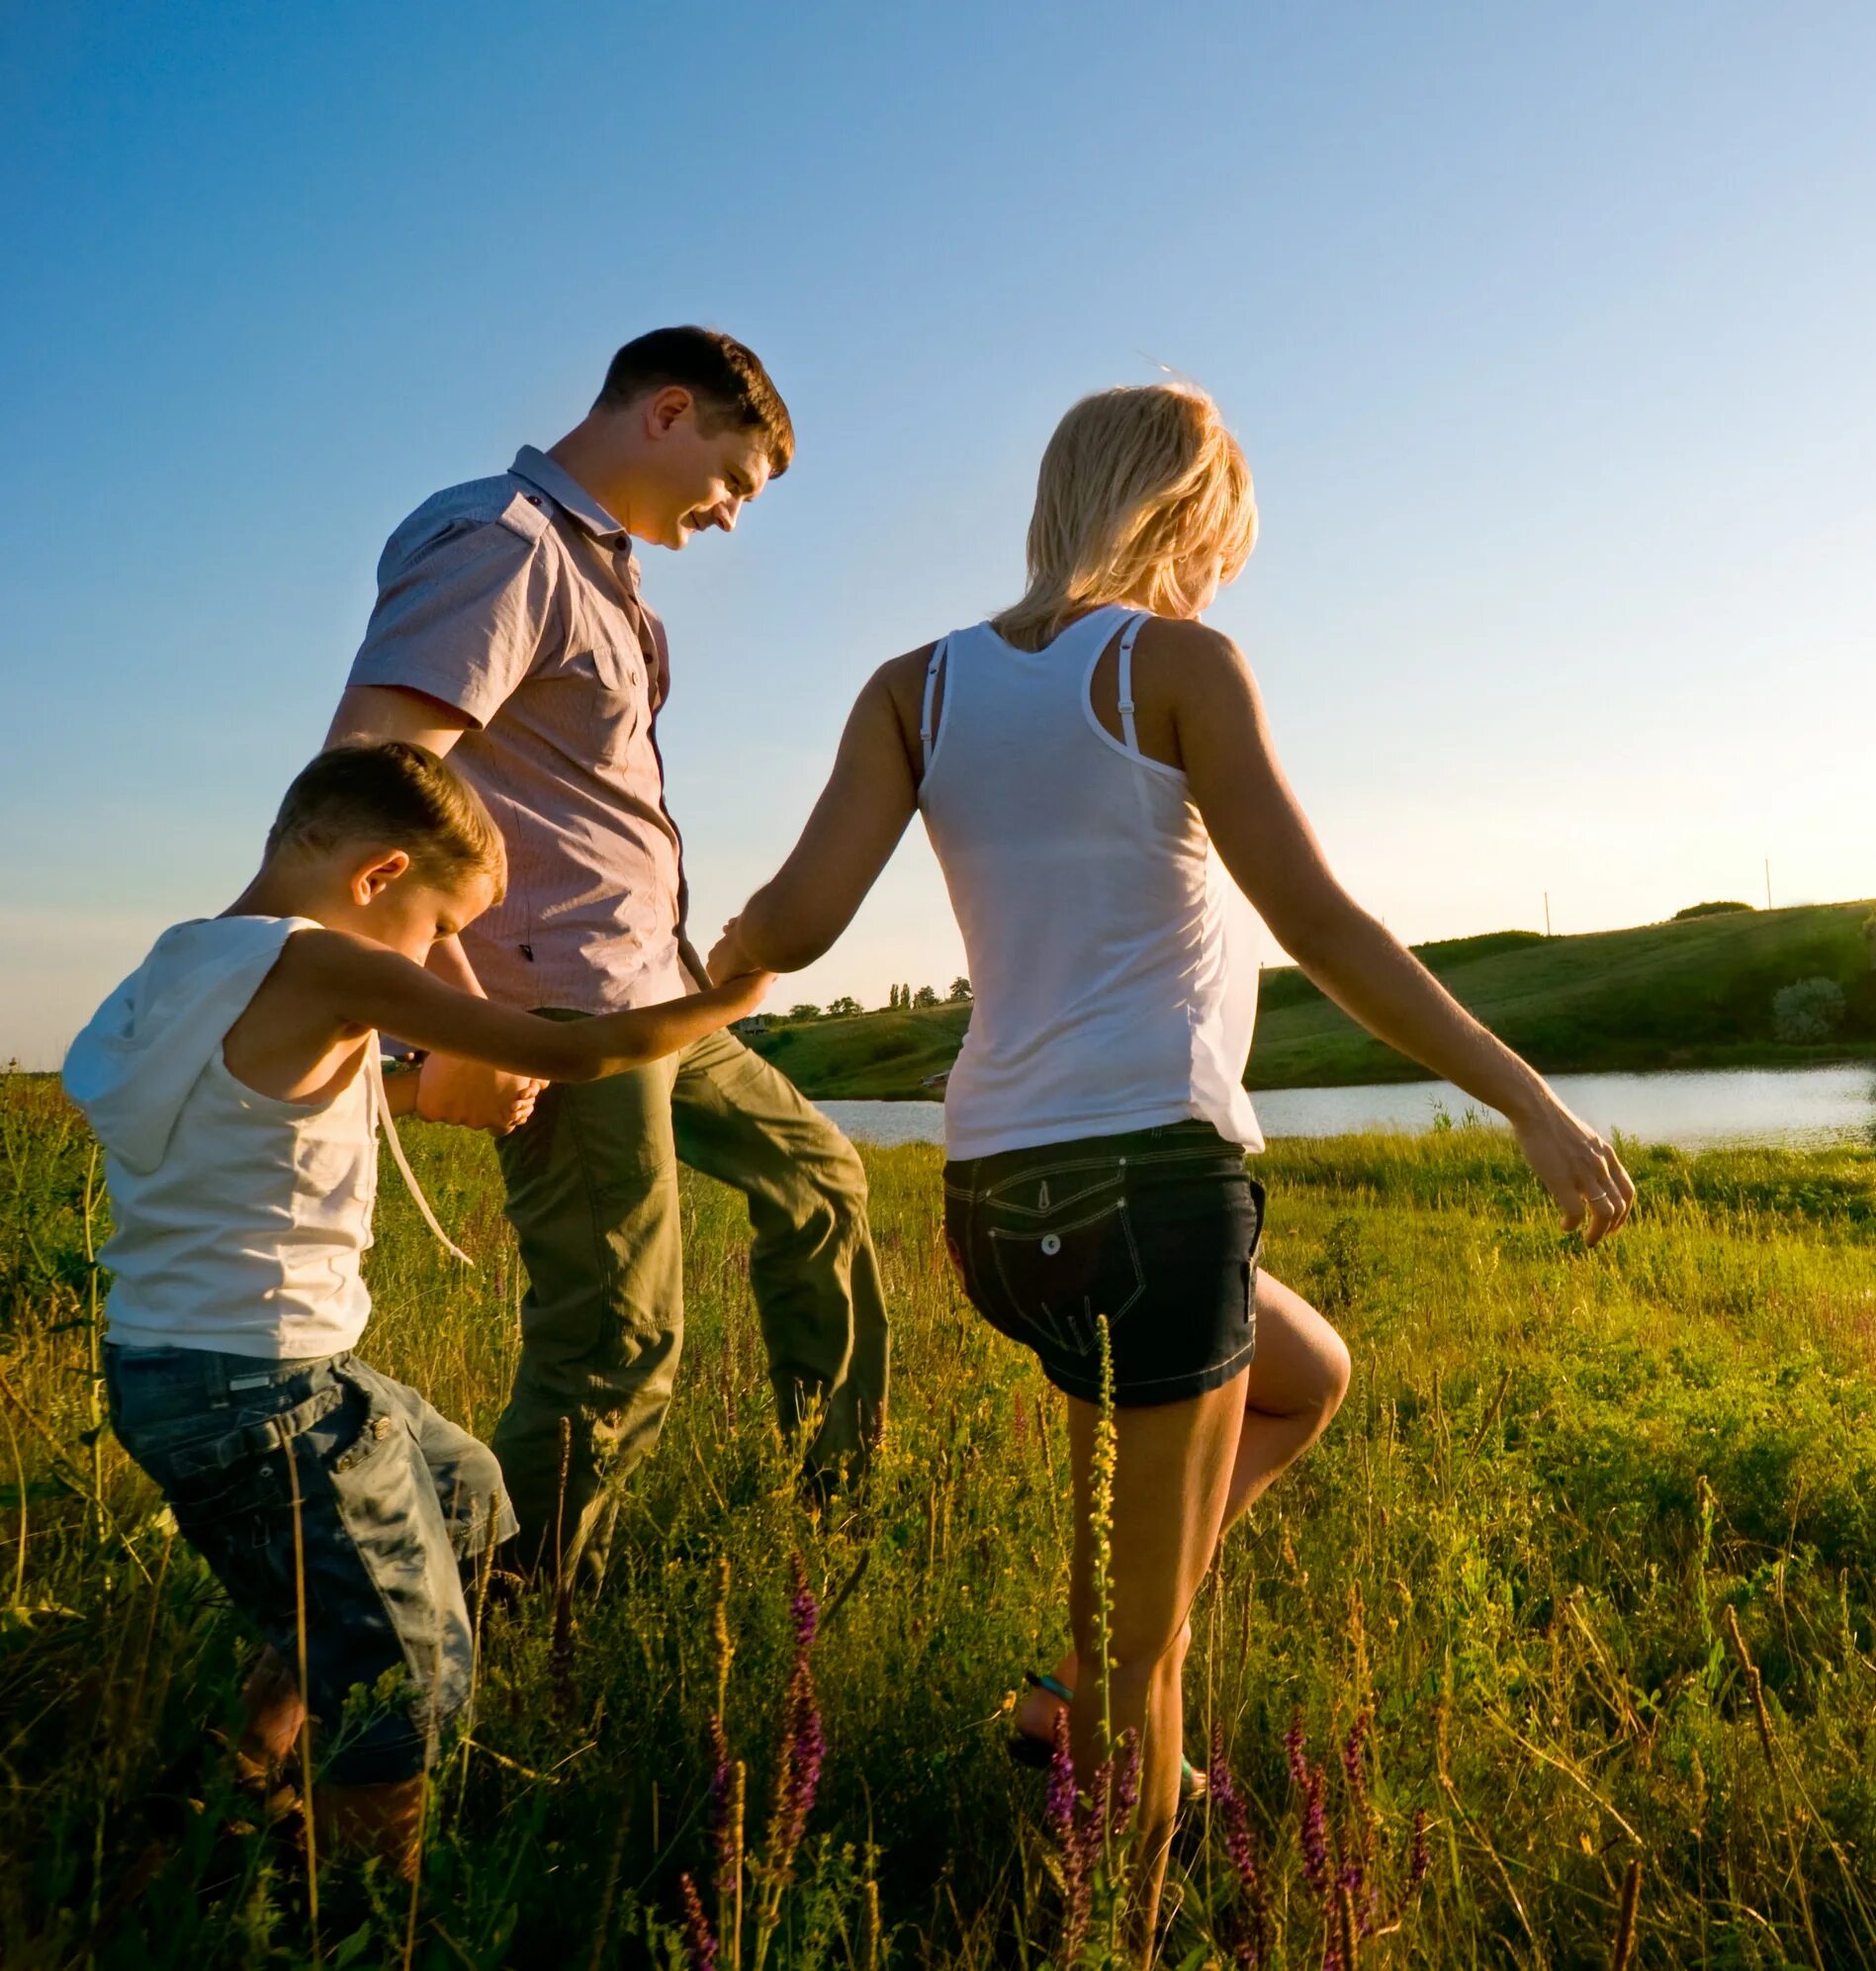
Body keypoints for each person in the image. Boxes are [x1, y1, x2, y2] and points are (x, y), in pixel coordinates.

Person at [709, 382, 1637, 1906]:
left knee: (1309, 1376)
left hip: (995, 1200)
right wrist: (1530, 1100)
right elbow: (1325, 926)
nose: (1223, 576)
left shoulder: (909, 687)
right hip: (1153, 1190)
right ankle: (1114, 1910)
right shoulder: (1180, 664)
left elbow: (796, 926)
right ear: (1186, 515)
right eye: (1226, 542)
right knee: (1160, 1658)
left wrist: (689, 973)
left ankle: (1071, 1690)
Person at [63, 744, 769, 1861]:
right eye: (444, 926)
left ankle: (226, 1785)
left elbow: (251, 1097)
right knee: (412, 1672)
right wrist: (738, 988)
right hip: (267, 1391)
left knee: (465, 1488)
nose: (447, 957)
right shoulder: (330, 963)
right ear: (380, 875)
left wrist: (412, 1093)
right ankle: (351, 1902)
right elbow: (580, 1050)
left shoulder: (179, 964)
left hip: (178, 1368)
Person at [326, 328, 886, 1583]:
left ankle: (836, 1506)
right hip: (558, 1014)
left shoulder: (605, 575)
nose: (735, 515)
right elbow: (369, 776)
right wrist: (455, 1019)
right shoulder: (504, 543)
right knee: (616, 1348)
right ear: (669, 411)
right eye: (735, 480)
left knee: (825, 1182)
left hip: (653, 993)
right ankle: (484, 1627)